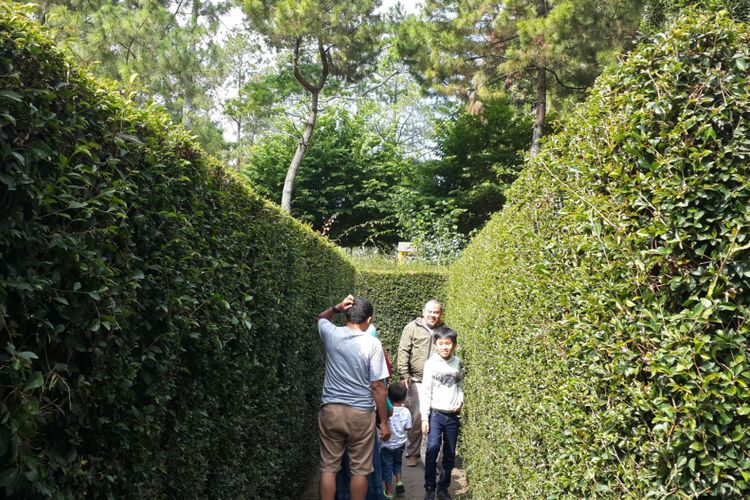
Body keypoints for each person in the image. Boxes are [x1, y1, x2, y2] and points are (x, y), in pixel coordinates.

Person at [317, 295, 392, 500]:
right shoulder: (373, 344)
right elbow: (378, 387)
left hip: (330, 409)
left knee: (329, 467)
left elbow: (320, 318)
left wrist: (336, 307)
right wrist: (384, 422)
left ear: (346, 315)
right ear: (369, 320)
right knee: (360, 469)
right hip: (360, 414)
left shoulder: (331, 333)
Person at [397, 299, 444, 466]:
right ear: (424, 312)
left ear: (440, 314)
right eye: (430, 312)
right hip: (416, 381)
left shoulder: (443, 330)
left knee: (436, 418)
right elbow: (403, 351)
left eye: (436, 312)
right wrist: (404, 374)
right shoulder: (412, 327)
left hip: (438, 382)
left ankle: (432, 457)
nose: (433, 315)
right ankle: (412, 453)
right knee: (416, 417)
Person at [420, 327, 464, 500]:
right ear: (435, 345)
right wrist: (425, 417)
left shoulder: (458, 362)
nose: (445, 347)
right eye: (441, 344)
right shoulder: (430, 364)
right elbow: (426, 391)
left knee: (450, 453)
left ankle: (443, 488)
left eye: (448, 343)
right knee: (432, 450)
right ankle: (430, 488)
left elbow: (460, 385)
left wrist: (460, 400)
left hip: (453, 416)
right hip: (435, 414)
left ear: (454, 345)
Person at [380, 381, 412, 499]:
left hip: (386, 445)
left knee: (387, 466)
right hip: (400, 443)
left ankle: (388, 491)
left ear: (388, 396)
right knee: (397, 462)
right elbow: (408, 427)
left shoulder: (385, 411)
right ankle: (399, 481)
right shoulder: (406, 411)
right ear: (403, 398)